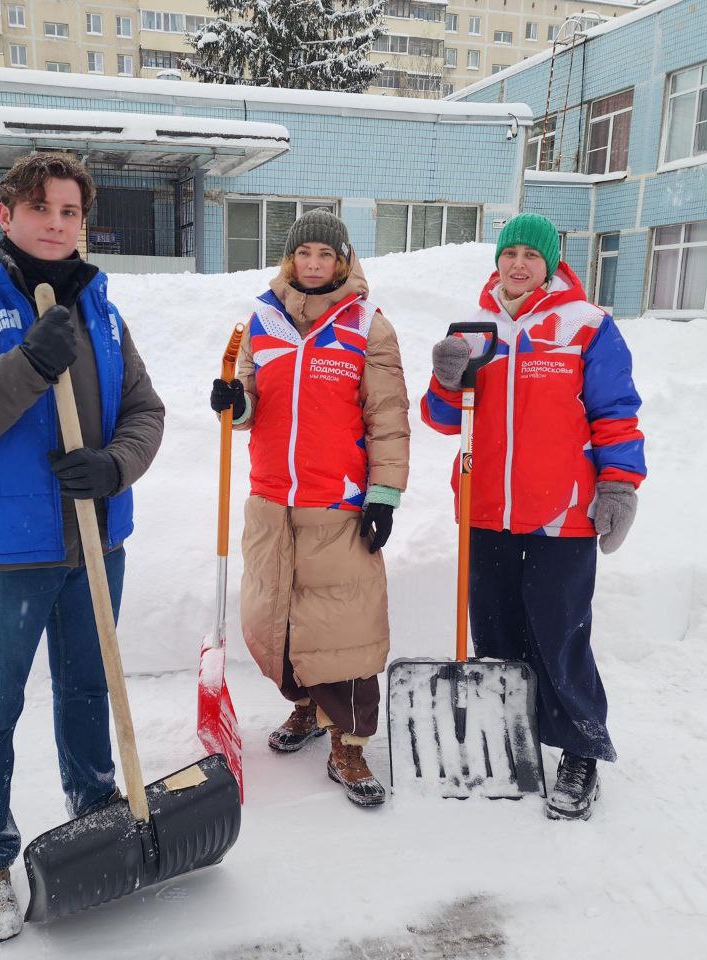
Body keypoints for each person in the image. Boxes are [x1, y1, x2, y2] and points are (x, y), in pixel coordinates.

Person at [0, 153, 165, 942]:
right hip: (3, 552)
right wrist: (26, 367)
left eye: (71, 211)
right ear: (6, 215)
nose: (57, 223)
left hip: (95, 542)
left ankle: (97, 815)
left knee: (88, 690)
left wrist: (114, 465)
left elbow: (146, 411)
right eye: (42, 208)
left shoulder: (102, 311)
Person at [421, 213, 645, 821]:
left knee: (559, 633)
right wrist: (445, 380)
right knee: (495, 635)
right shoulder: (474, 328)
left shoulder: (586, 326)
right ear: (497, 260)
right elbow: (444, 419)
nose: (518, 264)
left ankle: (580, 747)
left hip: (561, 512)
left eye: (531, 255)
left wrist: (619, 484)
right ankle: (504, 735)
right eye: (509, 252)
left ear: (550, 264)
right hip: (486, 509)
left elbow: (615, 411)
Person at [210, 209, 410, 808]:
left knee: (345, 631)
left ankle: (349, 743)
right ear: (290, 259)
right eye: (305, 253)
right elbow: (249, 405)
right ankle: (305, 707)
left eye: (326, 254)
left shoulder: (368, 326)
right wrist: (233, 402)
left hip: (338, 503)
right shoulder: (262, 322)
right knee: (279, 621)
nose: (314, 264)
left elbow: (388, 418)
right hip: (272, 501)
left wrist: (384, 495)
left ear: (343, 261)